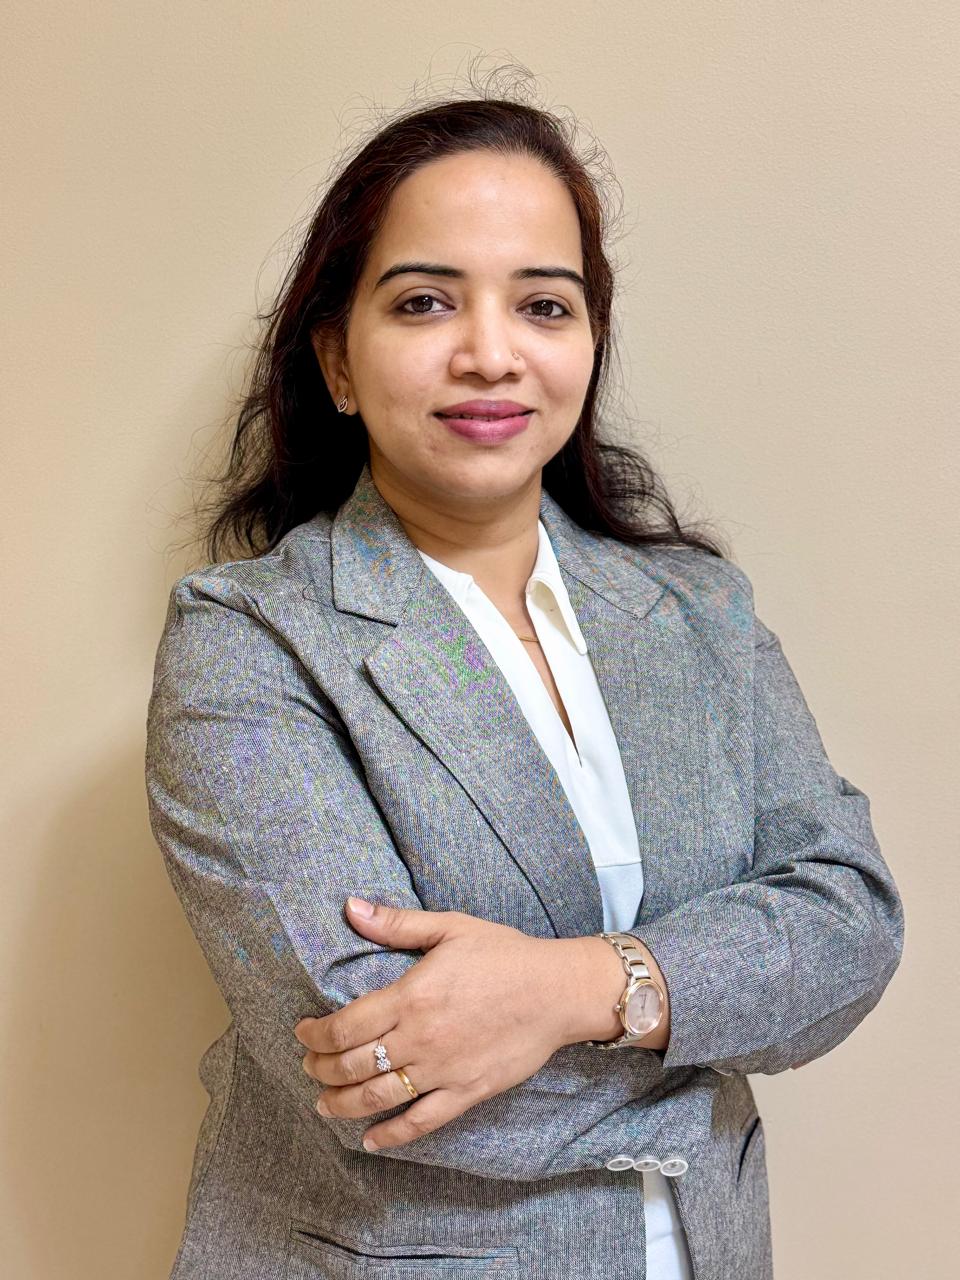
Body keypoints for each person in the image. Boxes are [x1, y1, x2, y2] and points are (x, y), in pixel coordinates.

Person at [145, 89, 904, 1280]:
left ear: (589, 345)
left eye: (544, 304)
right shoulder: (249, 639)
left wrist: (580, 985)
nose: (491, 352)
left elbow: (851, 920)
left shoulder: (699, 611)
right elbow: (374, 1064)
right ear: (337, 358)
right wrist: (707, 1031)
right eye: (424, 301)